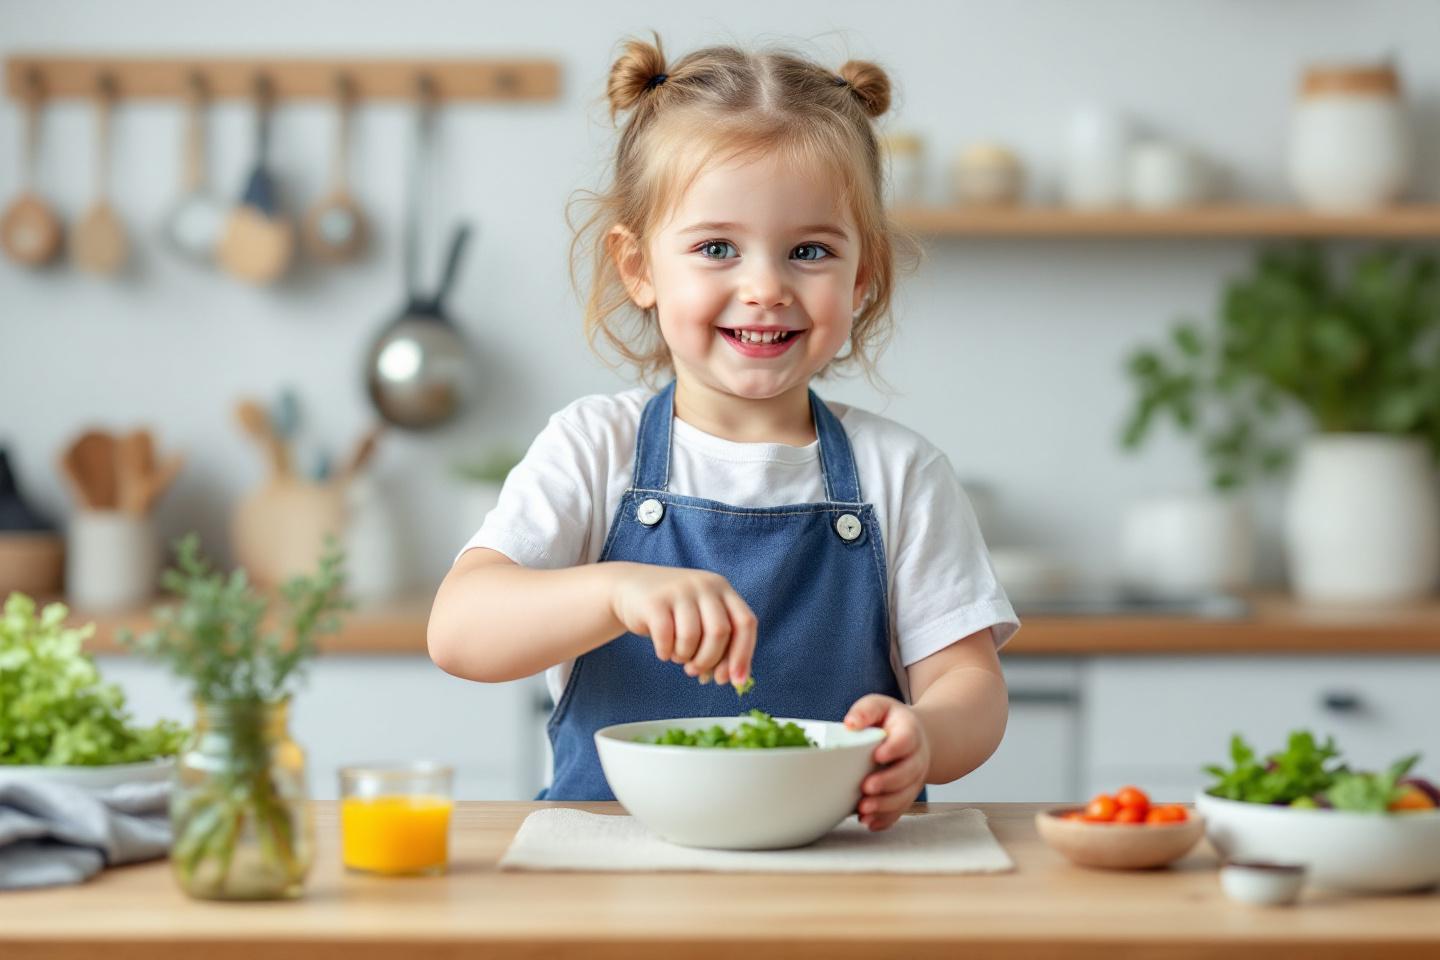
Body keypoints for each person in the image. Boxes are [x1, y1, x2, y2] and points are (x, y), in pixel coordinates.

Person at [428, 36, 1018, 830]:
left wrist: (928, 735)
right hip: (609, 874)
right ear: (638, 267)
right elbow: (460, 632)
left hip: (844, 873)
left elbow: (972, 690)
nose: (766, 287)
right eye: (716, 249)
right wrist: (615, 590)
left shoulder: (901, 473)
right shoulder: (592, 447)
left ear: (863, 275)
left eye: (810, 250)